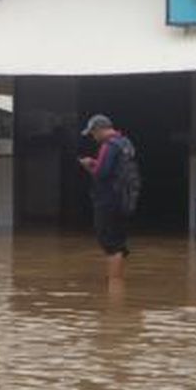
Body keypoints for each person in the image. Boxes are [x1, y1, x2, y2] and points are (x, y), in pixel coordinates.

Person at [78, 114, 136, 287]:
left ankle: (115, 287)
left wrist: (89, 165)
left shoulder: (108, 146)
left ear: (99, 129)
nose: (93, 137)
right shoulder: (126, 143)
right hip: (125, 200)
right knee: (118, 242)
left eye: (93, 133)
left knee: (111, 245)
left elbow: (101, 174)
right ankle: (118, 283)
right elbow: (115, 170)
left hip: (109, 201)